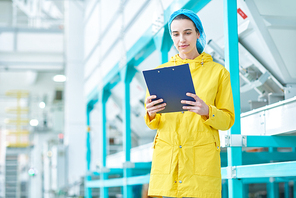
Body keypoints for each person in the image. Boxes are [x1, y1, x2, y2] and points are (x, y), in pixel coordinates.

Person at [144, 9, 235, 198]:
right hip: (168, 160)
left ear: (198, 33)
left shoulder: (218, 73)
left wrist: (207, 110)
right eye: (175, 34)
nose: (181, 40)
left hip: (200, 160)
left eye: (187, 32)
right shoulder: (159, 73)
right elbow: (155, 122)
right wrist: (151, 113)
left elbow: (227, 120)